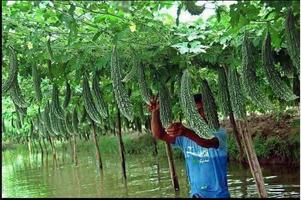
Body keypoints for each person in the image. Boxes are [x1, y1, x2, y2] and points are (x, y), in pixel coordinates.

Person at [148, 93, 230, 198]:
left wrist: (186, 132)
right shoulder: (185, 137)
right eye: (195, 113)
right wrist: (155, 111)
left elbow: (208, 142)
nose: (199, 116)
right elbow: (158, 134)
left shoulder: (219, 133)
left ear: (210, 111)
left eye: (201, 110)